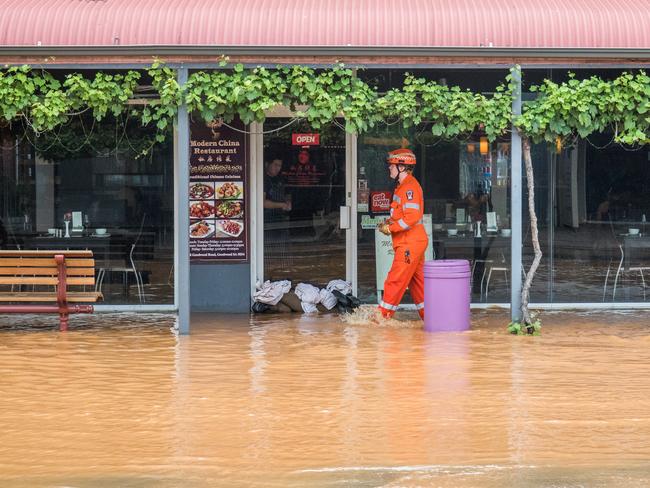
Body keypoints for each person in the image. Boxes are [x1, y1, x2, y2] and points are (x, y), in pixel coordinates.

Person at [377, 149, 428, 320]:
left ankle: (381, 319)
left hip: (409, 244)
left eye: (392, 166)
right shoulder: (403, 187)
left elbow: (411, 218)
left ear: (402, 167)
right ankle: (432, 319)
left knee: (395, 280)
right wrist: (388, 224)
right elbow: (403, 216)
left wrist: (390, 229)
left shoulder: (409, 188)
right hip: (412, 242)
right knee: (419, 284)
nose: (389, 169)